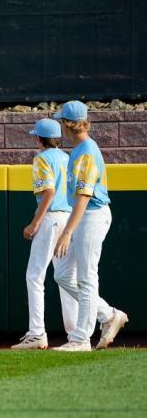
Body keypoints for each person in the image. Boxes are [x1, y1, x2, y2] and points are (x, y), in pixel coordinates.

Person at [52, 101, 128, 352]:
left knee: (86, 278)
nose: (61, 125)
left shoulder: (87, 151)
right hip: (83, 216)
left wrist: (66, 232)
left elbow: (84, 196)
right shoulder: (77, 150)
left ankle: (81, 339)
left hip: (92, 215)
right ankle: (107, 315)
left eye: (62, 121)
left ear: (70, 124)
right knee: (62, 274)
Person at [11, 119, 78, 350]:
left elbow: (48, 192)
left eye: (35, 137)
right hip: (69, 218)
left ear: (39, 139)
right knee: (66, 278)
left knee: (35, 276)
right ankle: (75, 335)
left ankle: (37, 333)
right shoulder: (67, 158)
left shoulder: (41, 158)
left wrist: (34, 223)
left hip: (50, 218)